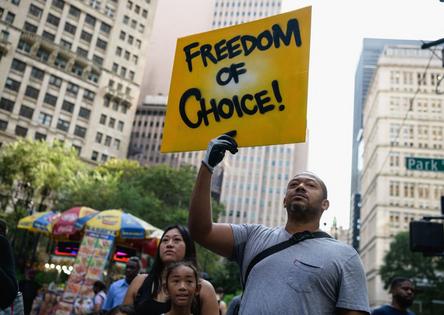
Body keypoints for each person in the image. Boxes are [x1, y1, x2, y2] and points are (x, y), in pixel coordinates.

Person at [188, 131, 371, 315]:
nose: (300, 187)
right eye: (294, 184)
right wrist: (207, 166)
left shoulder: (346, 256)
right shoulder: (253, 236)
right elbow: (201, 231)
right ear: (284, 201)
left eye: (310, 185)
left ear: (325, 204)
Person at [124, 225, 219, 315]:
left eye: (176, 240)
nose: (169, 244)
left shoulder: (205, 289)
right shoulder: (139, 282)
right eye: (165, 240)